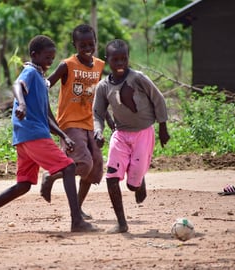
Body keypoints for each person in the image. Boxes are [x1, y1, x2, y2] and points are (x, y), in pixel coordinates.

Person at [0, 35, 97, 233]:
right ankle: (76, 220)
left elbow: (46, 115)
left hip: (26, 137)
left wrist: (64, 135)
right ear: (34, 55)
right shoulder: (30, 71)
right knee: (69, 167)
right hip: (33, 134)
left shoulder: (41, 79)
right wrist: (21, 103)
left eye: (52, 57)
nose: (50, 61)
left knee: (24, 184)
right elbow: (17, 85)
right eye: (47, 56)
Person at [93, 39, 170, 233]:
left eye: (123, 59)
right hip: (120, 135)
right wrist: (98, 131)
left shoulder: (138, 78)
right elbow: (98, 112)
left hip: (143, 133)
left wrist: (163, 127)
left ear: (128, 58)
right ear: (107, 59)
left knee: (132, 186)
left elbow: (158, 99)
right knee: (111, 178)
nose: (119, 64)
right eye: (115, 59)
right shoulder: (103, 86)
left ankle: (139, 180)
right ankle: (121, 223)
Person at [40, 24, 113, 220]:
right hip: (70, 123)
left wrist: (108, 121)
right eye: (82, 45)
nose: (87, 48)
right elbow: (46, 84)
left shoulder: (99, 65)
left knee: (95, 167)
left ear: (96, 43)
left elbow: (99, 97)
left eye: (91, 43)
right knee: (84, 163)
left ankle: (77, 208)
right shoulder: (67, 65)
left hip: (89, 123)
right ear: (75, 45)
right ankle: (51, 175)